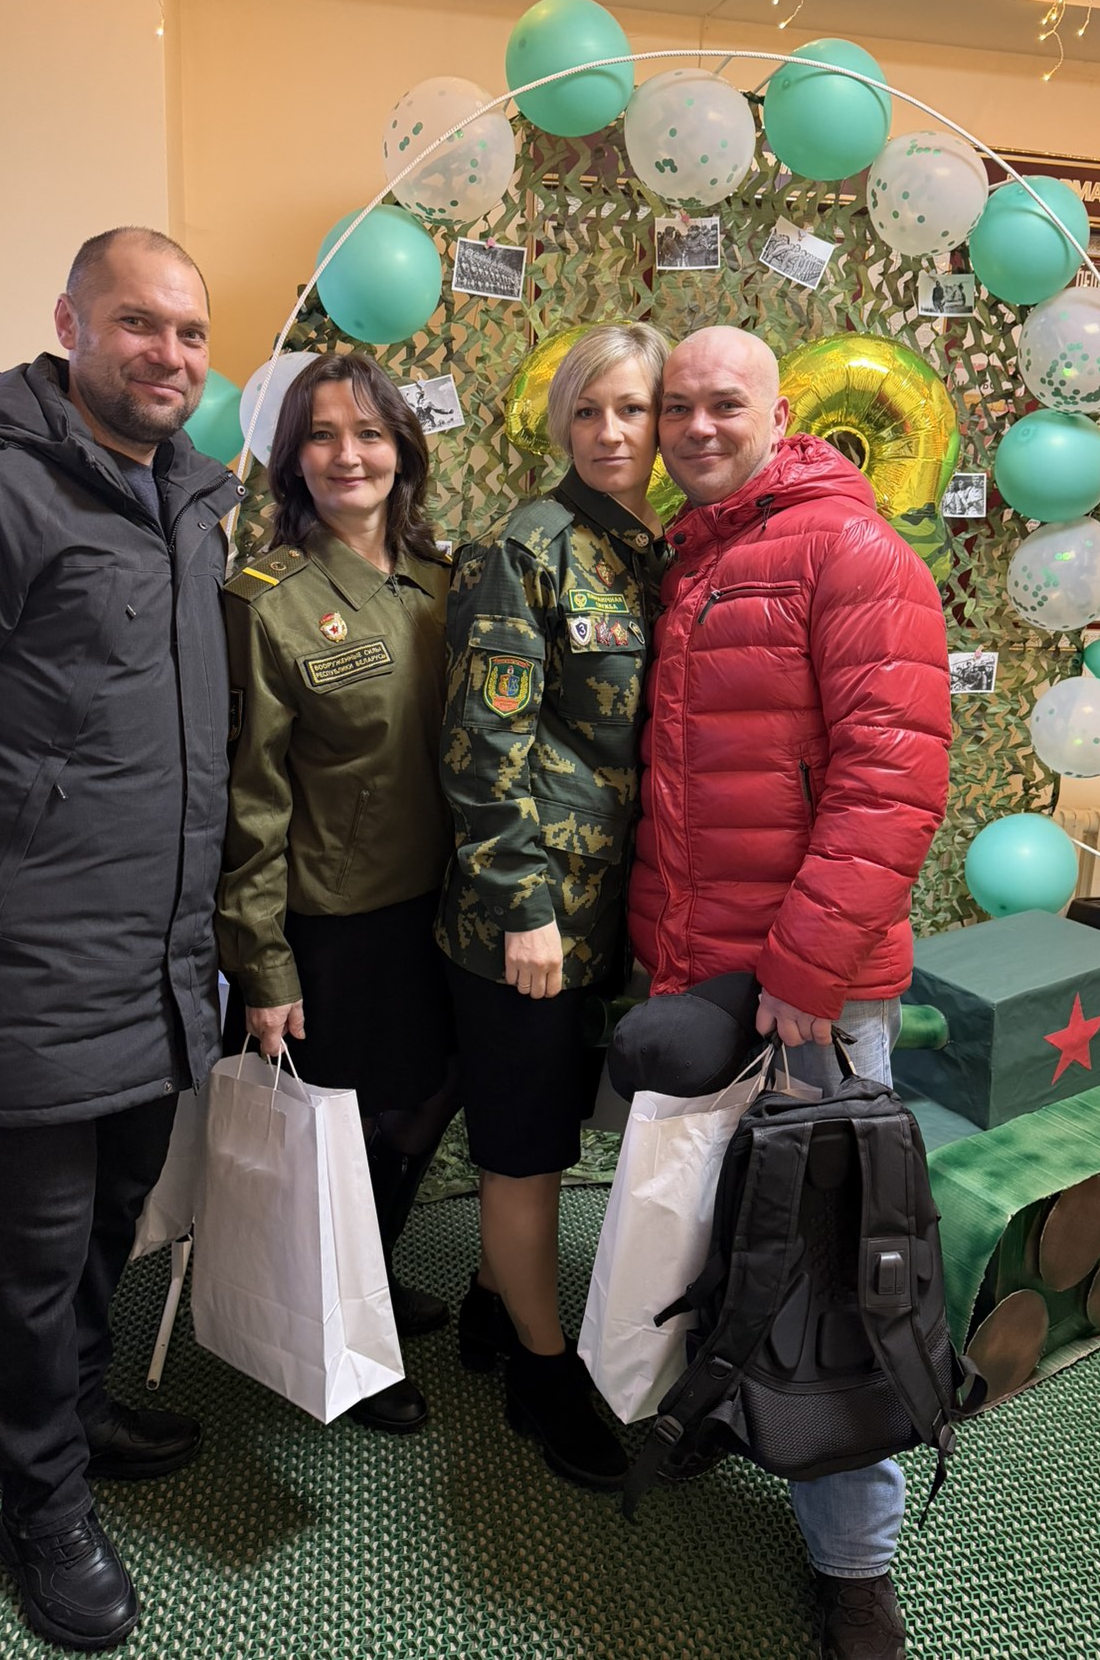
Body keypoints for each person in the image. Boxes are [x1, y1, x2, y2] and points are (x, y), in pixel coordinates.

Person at [0, 228, 244, 1651]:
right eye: (137, 323)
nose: (168, 354)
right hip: (24, 967)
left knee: (112, 1224)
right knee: (28, 1261)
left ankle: (73, 1419)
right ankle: (39, 1504)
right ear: (69, 323)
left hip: (154, 964)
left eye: (189, 332)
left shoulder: (191, 501)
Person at [627, 326, 951, 1660]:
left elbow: (894, 780)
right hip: (705, 976)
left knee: (840, 1285)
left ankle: (854, 1563)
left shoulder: (851, 552)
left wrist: (807, 970)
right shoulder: (693, 555)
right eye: (678, 407)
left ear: (777, 414)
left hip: (811, 994)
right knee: (721, 1243)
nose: (697, 427)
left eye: (724, 404)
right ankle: (727, 1412)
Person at [436, 322, 670, 1489]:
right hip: (524, 920)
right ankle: (540, 1374)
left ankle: (491, 1303)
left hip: (614, 909)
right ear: (560, 422)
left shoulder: (661, 551)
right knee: (525, 1152)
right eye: (588, 410)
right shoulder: (528, 548)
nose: (611, 431)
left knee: (564, 1124)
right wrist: (522, 904)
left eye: (633, 408)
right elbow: (483, 749)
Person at [216, 352, 460, 1436]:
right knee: (335, 1141)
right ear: (293, 460)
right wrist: (261, 964)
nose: (347, 455)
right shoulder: (265, 602)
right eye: (320, 434)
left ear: (402, 449)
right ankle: (337, 1340)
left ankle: (368, 1278)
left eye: (368, 432)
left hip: (442, 909)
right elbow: (248, 799)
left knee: (423, 1105)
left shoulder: (445, 580)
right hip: (332, 923)